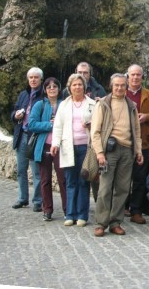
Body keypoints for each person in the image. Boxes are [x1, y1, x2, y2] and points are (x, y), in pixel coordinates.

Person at [90, 73, 145, 237]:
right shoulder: (103, 104)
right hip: (109, 151)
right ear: (111, 86)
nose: (120, 88)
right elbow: (96, 131)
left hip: (127, 150)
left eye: (122, 85)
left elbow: (136, 130)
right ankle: (101, 223)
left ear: (126, 86)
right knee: (105, 188)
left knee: (122, 189)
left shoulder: (131, 105)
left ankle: (115, 222)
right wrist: (99, 152)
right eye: (117, 85)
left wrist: (138, 150)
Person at [49, 73, 96, 226]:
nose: (77, 87)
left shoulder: (92, 104)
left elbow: (98, 125)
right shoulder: (64, 105)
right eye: (74, 85)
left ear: (84, 86)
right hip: (68, 146)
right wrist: (55, 144)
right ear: (70, 88)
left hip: (86, 147)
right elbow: (58, 127)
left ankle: (82, 215)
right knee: (70, 182)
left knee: (83, 180)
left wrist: (90, 125)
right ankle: (70, 214)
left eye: (80, 84)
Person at [125, 64, 149, 225]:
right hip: (123, 143)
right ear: (128, 76)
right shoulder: (120, 92)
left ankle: (136, 210)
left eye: (138, 75)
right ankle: (121, 208)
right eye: (132, 75)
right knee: (123, 178)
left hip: (143, 143)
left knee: (140, 178)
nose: (135, 77)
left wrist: (147, 117)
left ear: (142, 77)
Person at [26, 77, 63, 221]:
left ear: (59, 89)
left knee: (63, 179)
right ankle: (47, 209)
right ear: (45, 89)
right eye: (49, 87)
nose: (52, 89)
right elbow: (32, 124)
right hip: (43, 146)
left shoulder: (64, 104)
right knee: (45, 179)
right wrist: (49, 125)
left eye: (55, 86)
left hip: (60, 146)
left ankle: (67, 209)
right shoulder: (39, 105)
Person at [11, 67, 46, 210]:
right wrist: (15, 115)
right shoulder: (23, 95)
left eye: (36, 77)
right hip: (22, 136)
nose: (33, 80)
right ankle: (22, 198)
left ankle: (38, 201)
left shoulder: (44, 96)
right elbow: (13, 112)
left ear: (41, 79)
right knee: (21, 170)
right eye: (31, 77)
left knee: (37, 171)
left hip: (36, 138)